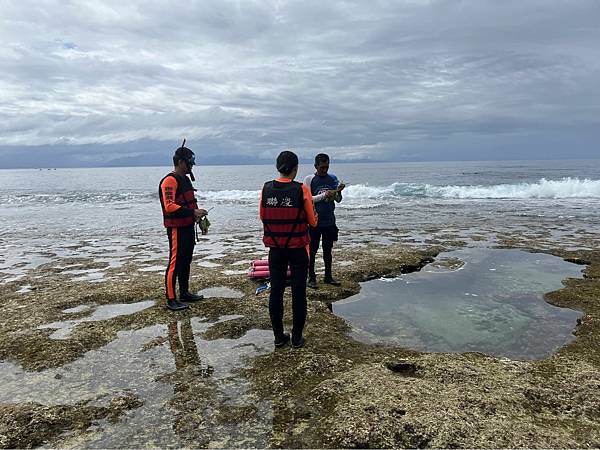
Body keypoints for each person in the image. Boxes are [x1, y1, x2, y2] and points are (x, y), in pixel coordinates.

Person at [260, 151, 317, 348]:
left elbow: (263, 216)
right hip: (297, 249)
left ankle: (278, 337)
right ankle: (296, 337)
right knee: (298, 291)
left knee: (276, 291)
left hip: (275, 249)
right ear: (296, 168)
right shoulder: (302, 190)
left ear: (277, 167)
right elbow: (312, 221)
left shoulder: (266, 189)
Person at [159, 143, 208, 311]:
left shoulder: (185, 180)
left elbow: (190, 204)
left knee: (186, 260)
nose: (192, 166)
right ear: (180, 162)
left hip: (187, 227)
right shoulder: (169, 181)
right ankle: (171, 299)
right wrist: (192, 212)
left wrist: (199, 220)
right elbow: (169, 206)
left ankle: (184, 292)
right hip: (176, 229)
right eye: (189, 162)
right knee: (175, 262)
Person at [304, 153, 345, 289]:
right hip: (314, 221)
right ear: (316, 166)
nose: (324, 170)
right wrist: (324, 195)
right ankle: (312, 278)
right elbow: (308, 199)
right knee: (313, 250)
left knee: (328, 250)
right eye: (322, 167)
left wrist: (338, 192)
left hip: (329, 220)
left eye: (327, 167)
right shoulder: (310, 179)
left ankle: (328, 276)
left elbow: (339, 200)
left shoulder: (333, 178)